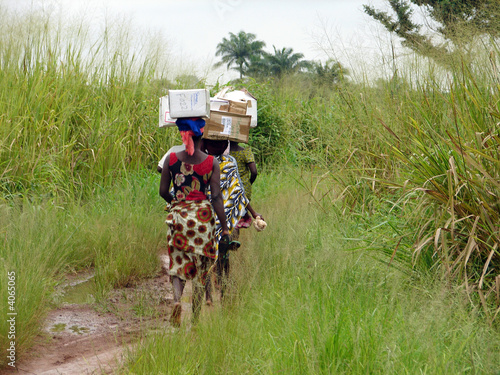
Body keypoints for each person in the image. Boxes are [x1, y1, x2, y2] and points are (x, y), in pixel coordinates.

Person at [159, 118, 230, 327]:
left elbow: (163, 191)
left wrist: (177, 202)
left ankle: (176, 301)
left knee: (177, 266)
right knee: (201, 271)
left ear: (182, 134)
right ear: (202, 135)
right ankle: (196, 322)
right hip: (202, 220)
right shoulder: (211, 162)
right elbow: (216, 197)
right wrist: (225, 228)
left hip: (179, 219)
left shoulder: (171, 160)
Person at [203, 138, 262, 300]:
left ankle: (210, 294)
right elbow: (239, 190)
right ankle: (221, 289)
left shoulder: (205, 160)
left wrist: (254, 213)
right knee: (222, 253)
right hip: (221, 216)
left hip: (207, 215)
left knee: (208, 256)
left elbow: (238, 190)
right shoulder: (224, 162)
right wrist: (253, 213)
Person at [229, 140, 258, 228]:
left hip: (227, 188)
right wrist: (249, 183)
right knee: (240, 217)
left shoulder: (222, 152)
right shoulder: (245, 151)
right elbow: (254, 171)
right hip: (244, 188)